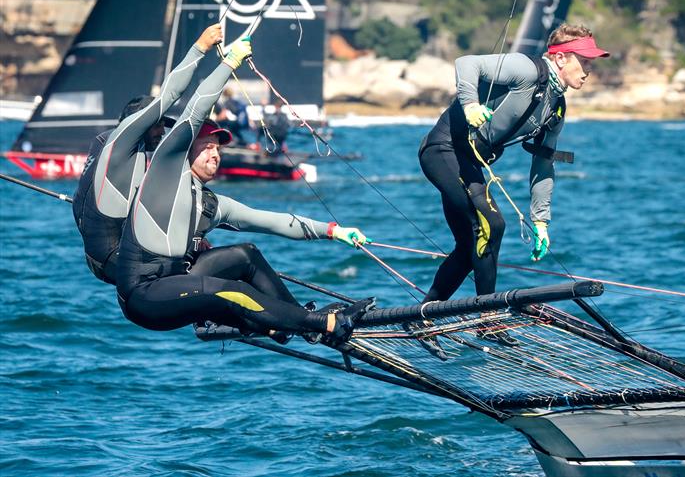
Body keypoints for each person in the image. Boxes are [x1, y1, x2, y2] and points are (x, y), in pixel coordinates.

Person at [116, 37, 374, 344]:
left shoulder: (211, 203)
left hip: (176, 281)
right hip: (144, 295)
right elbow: (197, 108)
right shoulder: (165, 173)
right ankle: (319, 323)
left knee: (245, 254)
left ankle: (287, 321)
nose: (215, 154)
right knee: (236, 293)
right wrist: (230, 62)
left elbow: (271, 221)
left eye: (218, 149)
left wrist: (333, 230)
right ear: (186, 152)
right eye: (207, 147)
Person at [417, 24, 609, 346]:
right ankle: (488, 320)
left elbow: (544, 163)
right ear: (561, 59)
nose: (590, 69)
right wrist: (470, 105)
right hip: (443, 150)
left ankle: (423, 318)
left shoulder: (556, 107)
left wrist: (541, 220)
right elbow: (467, 63)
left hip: (470, 164)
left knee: (471, 250)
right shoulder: (527, 70)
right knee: (492, 224)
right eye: (584, 60)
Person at [72, 24, 223, 284]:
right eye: (156, 125)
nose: (161, 131)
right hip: (116, 260)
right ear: (137, 123)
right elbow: (171, 93)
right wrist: (201, 47)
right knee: (207, 266)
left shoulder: (105, 145)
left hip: (97, 257)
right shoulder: (122, 149)